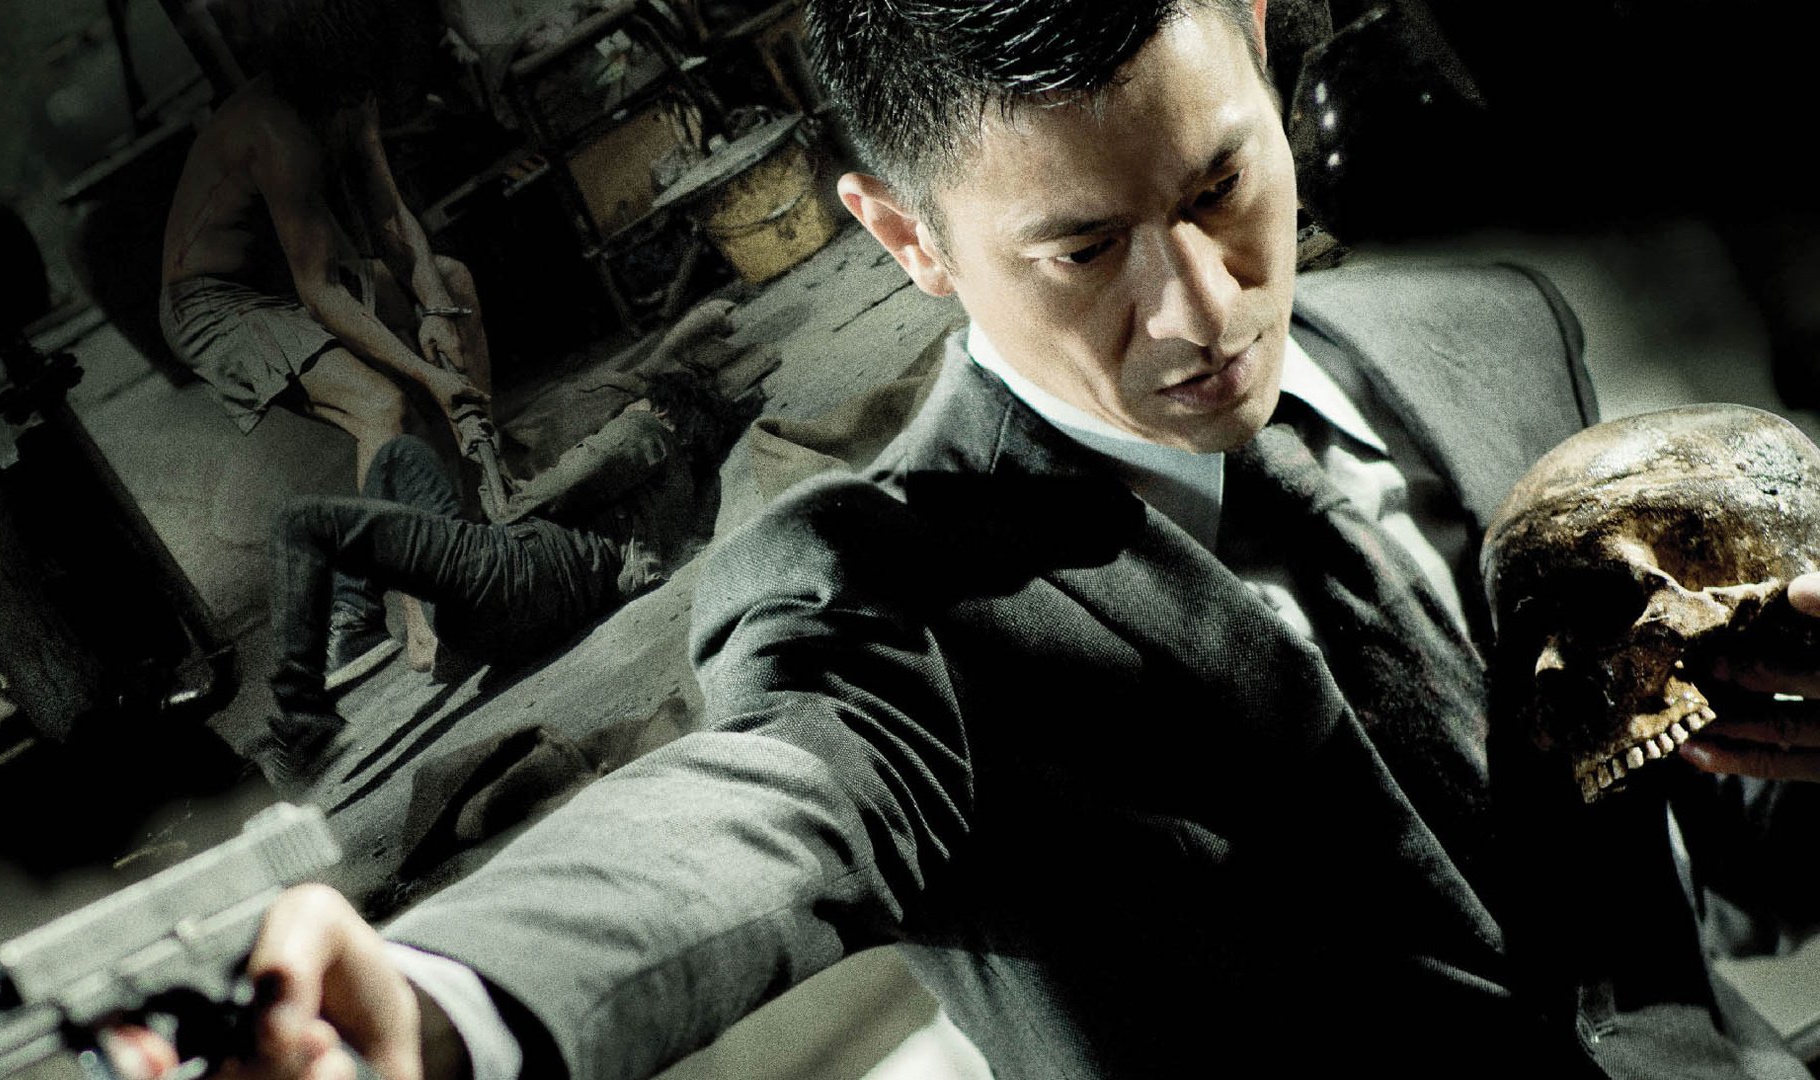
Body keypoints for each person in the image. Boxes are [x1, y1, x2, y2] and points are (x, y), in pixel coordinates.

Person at [113, 2, 1820, 1078]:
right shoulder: (873, 599)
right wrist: (435, 1006)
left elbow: (1695, 861)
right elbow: (760, 816)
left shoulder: (1496, 338)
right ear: (906, 241)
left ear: (1261, 39)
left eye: (1219, 187)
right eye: (1083, 250)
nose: (1201, 310)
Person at [158, 0, 491, 679]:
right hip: (217, 303)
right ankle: (397, 616)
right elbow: (321, 292)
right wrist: (429, 376)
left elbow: (390, 215)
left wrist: (433, 309)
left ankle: (482, 509)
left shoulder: (351, 94)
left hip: (285, 277)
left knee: (453, 282)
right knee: (380, 406)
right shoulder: (278, 135)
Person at [261, 369, 758, 785]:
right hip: (517, 619)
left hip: (517, 572)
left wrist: (494, 469)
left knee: (301, 522)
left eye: (633, 407)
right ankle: (356, 623)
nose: (618, 417)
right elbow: (530, 508)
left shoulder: (648, 431)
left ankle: (306, 709)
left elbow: (538, 498)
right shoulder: (677, 493)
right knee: (400, 455)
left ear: (666, 411)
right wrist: (487, 461)